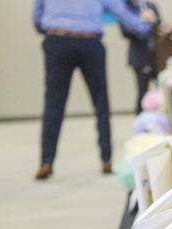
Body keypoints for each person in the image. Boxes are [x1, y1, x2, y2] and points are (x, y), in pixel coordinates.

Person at [32, 0, 155, 181]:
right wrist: (146, 25)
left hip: (57, 40)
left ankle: (46, 162)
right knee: (100, 102)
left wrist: (53, 29)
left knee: (53, 104)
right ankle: (106, 160)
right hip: (89, 42)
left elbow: (37, 18)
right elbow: (120, 12)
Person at [121, 0, 160, 114]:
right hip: (139, 56)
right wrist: (141, 20)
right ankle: (140, 121)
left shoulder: (151, 6)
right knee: (142, 91)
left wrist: (153, 20)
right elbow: (125, 31)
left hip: (156, 55)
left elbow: (158, 24)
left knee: (162, 89)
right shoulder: (126, 8)